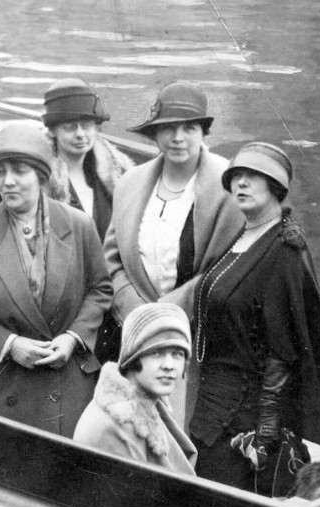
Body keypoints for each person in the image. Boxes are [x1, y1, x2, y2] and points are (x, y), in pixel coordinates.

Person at [0, 122, 111, 437]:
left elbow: (100, 289)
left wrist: (73, 338)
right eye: (0, 172)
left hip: (64, 380)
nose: (8, 182)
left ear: (41, 175)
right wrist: (9, 345)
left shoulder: (78, 226)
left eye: (19, 171)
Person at [189, 143, 320, 496]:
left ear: (276, 187)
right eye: (236, 176)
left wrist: (266, 436)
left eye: (253, 177)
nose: (241, 183)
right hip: (211, 402)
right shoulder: (245, 234)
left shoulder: (283, 249)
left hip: (243, 418)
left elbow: (282, 353)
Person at [102, 81, 244, 423]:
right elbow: (112, 257)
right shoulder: (131, 182)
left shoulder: (229, 186)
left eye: (189, 128)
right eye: (168, 128)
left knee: (178, 424)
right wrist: (135, 310)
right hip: (132, 326)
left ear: (203, 132)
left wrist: (166, 311)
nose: (178, 138)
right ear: (155, 134)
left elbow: (231, 264)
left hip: (196, 333)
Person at [73, 302, 197, 474]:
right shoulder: (117, 424)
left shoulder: (145, 403)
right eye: (156, 353)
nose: (169, 365)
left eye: (177, 354)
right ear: (132, 358)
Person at [40, 78, 134, 240]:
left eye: (87, 126)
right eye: (70, 127)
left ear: (97, 129)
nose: (80, 134)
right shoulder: (38, 179)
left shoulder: (121, 174)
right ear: (53, 131)